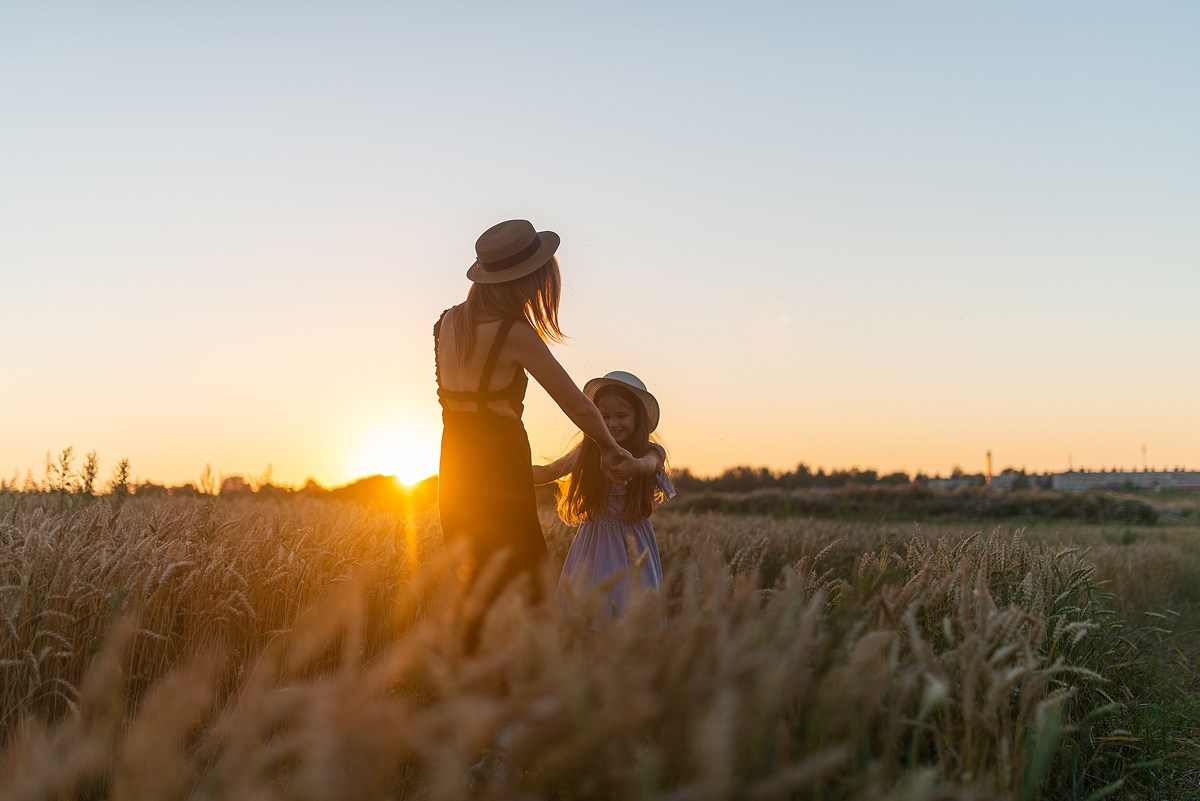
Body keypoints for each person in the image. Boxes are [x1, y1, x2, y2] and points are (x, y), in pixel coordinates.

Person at [434, 219, 633, 650]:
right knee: (528, 584)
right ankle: (526, 695)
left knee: (475, 585)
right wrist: (614, 448)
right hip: (500, 463)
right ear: (528, 281)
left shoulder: (446, 324)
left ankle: (473, 695)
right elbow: (579, 406)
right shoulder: (515, 334)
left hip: (454, 465)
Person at [532, 371, 675, 622]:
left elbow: (650, 464)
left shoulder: (649, 451)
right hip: (592, 543)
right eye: (603, 416)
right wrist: (505, 469)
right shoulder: (587, 452)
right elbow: (548, 472)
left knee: (631, 609)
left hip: (634, 545)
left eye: (622, 415)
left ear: (638, 418)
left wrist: (634, 466)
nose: (612, 423)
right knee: (586, 610)